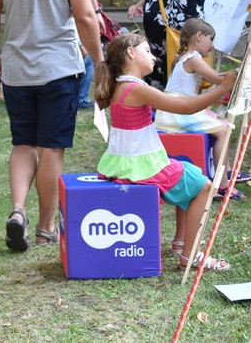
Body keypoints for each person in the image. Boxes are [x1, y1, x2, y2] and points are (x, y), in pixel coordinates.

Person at [0, 0, 103, 252]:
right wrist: (99, 59)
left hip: (17, 67)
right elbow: (84, 16)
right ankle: (45, 227)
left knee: (23, 143)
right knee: (52, 147)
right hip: (59, 68)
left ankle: (17, 209)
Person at [93, 33, 236, 271]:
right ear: (131, 53)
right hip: (140, 167)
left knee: (189, 172)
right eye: (147, 51)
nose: (154, 56)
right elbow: (186, 107)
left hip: (127, 163)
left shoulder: (123, 86)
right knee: (205, 187)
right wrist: (223, 87)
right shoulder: (136, 88)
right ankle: (190, 255)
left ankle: (181, 242)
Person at [153, 19, 251, 200]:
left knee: (221, 124)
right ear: (199, 36)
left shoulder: (181, 56)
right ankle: (222, 185)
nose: (212, 45)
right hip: (178, 112)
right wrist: (239, 71)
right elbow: (218, 80)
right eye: (211, 39)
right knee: (222, 131)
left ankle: (226, 171)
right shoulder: (194, 59)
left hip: (175, 108)